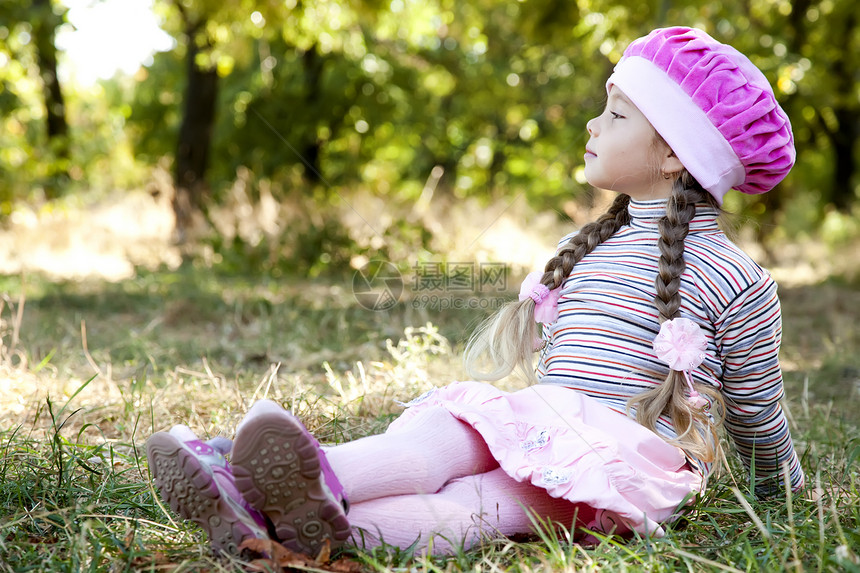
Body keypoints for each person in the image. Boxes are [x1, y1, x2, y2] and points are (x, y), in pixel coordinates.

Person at [146, 26, 806, 558]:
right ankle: (269, 499)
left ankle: (266, 499)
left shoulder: (736, 278)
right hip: (554, 420)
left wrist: (784, 495)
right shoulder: (591, 245)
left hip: (625, 463)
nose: (592, 125)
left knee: (484, 504)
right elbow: (565, 368)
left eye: (615, 112)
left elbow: (756, 406)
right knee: (439, 444)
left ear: (673, 154)